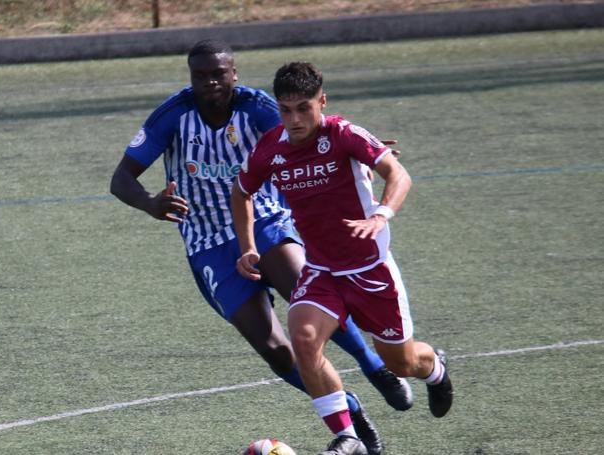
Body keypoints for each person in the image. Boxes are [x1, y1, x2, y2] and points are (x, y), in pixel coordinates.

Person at [110, 40, 412, 454]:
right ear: (191, 77)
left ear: (234, 73)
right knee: (274, 350)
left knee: (304, 294)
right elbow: (121, 177)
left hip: (266, 220)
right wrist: (149, 203)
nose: (211, 82)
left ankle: (375, 367)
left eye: (219, 73)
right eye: (201, 75)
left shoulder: (257, 107)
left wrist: (365, 152)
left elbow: (313, 123)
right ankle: (349, 410)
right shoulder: (174, 115)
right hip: (208, 241)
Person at [232, 62, 454, 455]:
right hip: (322, 271)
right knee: (303, 338)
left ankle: (434, 367)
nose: (295, 119)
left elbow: (397, 174)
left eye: (304, 107)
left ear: (322, 101)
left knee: (402, 363)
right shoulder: (271, 147)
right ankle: (348, 436)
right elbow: (242, 191)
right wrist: (248, 245)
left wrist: (380, 215)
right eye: (286, 110)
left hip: (372, 272)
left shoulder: (344, 134)